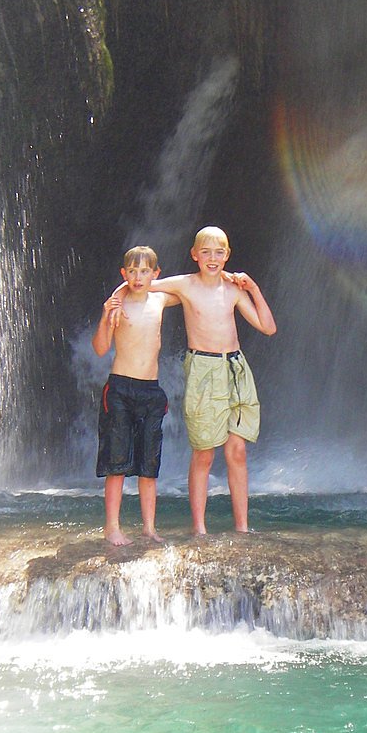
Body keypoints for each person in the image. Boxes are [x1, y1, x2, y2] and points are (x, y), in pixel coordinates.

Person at [149, 225, 276, 535]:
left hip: (236, 368)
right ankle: (199, 529)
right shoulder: (185, 284)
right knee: (204, 452)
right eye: (205, 252)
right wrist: (115, 302)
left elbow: (268, 327)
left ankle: (242, 527)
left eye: (219, 252)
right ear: (194, 255)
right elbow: (143, 286)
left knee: (237, 451)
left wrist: (252, 288)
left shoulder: (233, 289)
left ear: (227, 255)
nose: (212, 258)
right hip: (204, 369)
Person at [91, 245, 178, 545]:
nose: (138, 278)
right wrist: (106, 315)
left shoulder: (160, 299)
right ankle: (112, 527)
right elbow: (100, 348)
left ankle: (149, 528)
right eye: (132, 272)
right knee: (117, 463)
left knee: (149, 466)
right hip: (120, 388)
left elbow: (189, 287)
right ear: (123, 273)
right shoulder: (118, 305)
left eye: (144, 272)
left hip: (151, 390)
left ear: (155, 273)